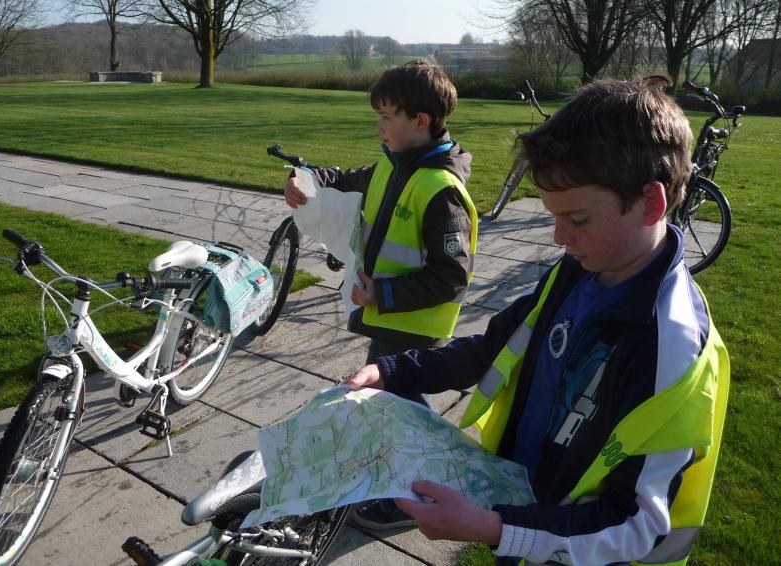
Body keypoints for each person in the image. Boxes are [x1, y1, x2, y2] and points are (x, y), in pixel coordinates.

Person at [346, 78, 730, 565]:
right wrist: (394, 371)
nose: (558, 236)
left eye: (578, 219)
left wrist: (492, 527)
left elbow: (640, 525)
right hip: (525, 514)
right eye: (553, 216)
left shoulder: (669, 345)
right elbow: (493, 349)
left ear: (651, 203)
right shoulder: (578, 271)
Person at [284, 60, 479, 387]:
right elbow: (344, 179)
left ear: (420, 121)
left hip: (413, 334)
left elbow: (452, 275)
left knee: (396, 415)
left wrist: (382, 293)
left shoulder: (442, 192)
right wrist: (305, 178)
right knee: (387, 414)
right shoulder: (392, 166)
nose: (379, 126)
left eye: (387, 117)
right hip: (389, 321)